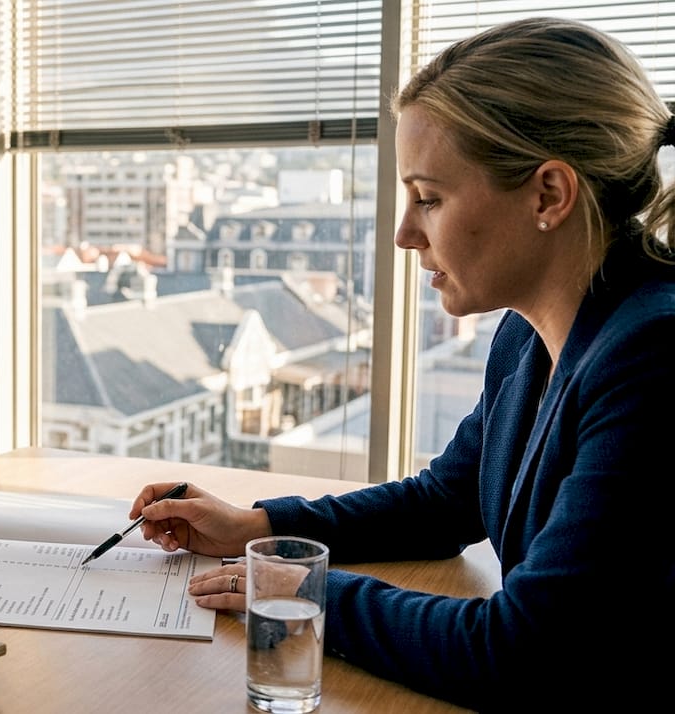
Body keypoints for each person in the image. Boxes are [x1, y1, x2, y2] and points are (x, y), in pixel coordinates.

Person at [129, 17, 675, 711]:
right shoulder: (529, 335)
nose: (404, 233)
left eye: (431, 198)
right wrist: (260, 530)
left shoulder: (653, 359)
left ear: (549, 195)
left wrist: (305, 589)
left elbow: (527, 652)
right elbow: (445, 502)